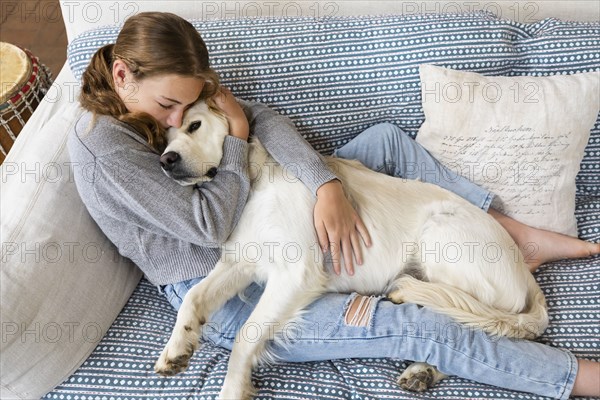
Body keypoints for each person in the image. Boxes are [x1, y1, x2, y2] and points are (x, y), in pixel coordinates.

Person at [69, 11, 600, 398]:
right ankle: (572, 376)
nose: (172, 121)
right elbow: (207, 224)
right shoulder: (105, 149)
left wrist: (325, 185)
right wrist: (233, 138)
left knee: (386, 141)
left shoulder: (163, 97)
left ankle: (509, 229)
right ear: (123, 77)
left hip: (254, 207)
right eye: (169, 108)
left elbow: (263, 122)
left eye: (188, 108)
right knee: (410, 324)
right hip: (212, 258)